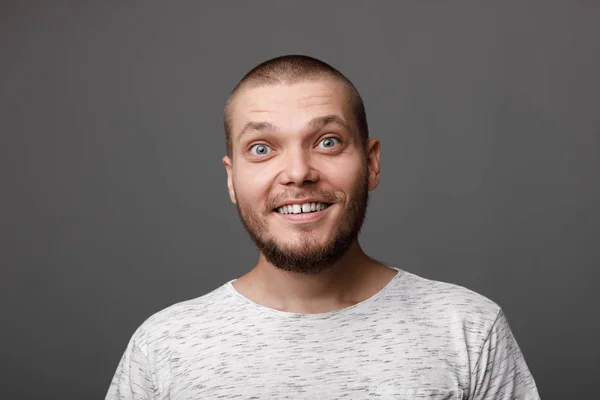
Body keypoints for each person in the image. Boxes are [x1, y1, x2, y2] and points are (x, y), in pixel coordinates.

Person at [105, 55, 541, 399]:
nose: (297, 173)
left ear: (371, 164)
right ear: (231, 178)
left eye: (327, 142)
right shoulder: (163, 347)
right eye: (261, 148)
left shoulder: (468, 329)